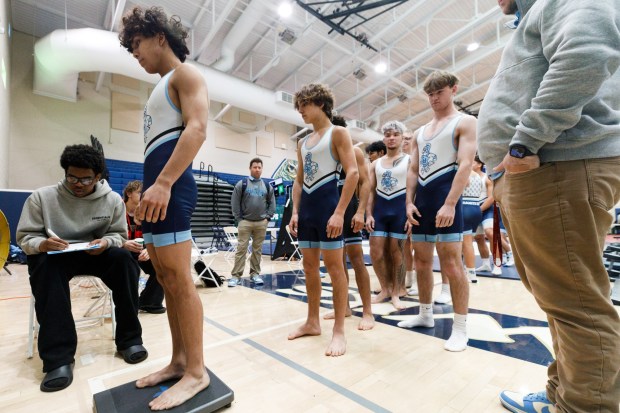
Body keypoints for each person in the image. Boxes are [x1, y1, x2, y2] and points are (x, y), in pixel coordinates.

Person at [477, 0, 620, 411]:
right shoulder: (539, 11)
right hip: (546, 168)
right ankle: (564, 395)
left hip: (556, 162)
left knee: (577, 305)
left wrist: (525, 141)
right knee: (561, 299)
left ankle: (584, 406)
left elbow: (589, 50)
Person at [120, 6, 210, 410]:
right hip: (158, 192)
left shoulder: (185, 75)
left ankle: (197, 371)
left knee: (180, 279)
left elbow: (197, 128)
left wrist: (165, 183)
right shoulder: (159, 87)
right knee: (165, 278)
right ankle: (178, 361)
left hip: (172, 190)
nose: (134, 53)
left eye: (136, 44)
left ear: (159, 37)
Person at [16, 144, 147, 393]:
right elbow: (25, 239)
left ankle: (130, 339)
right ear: (65, 173)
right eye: (72, 177)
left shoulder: (111, 200)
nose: (77, 183)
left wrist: (107, 242)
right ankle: (58, 359)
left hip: (95, 252)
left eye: (85, 178)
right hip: (56, 255)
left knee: (125, 261)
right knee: (43, 267)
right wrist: (42, 243)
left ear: (98, 176)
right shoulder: (41, 198)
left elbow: (119, 235)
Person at [399, 70, 477, 353]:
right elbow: (413, 169)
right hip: (422, 203)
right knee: (420, 262)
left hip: (447, 202)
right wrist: (408, 202)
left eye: (439, 93)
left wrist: (451, 203)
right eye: (430, 94)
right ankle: (425, 313)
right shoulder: (419, 132)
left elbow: (466, 164)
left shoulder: (465, 122)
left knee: (452, 265)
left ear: (453, 90)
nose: (434, 99)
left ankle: (460, 327)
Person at [288, 83, 359, 357]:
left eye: (304, 105)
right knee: (308, 267)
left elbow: (352, 173)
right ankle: (312, 321)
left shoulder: (338, 133)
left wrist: (340, 212)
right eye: (298, 107)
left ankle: (339, 330)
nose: (301, 111)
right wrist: (295, 211)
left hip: (330, 207)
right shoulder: (302, 142)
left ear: (320, 103)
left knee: (334, 268)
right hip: (307, 211)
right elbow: (299, 180)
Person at [323, 115, 374, 331]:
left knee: (356, 259)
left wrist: (361, 211)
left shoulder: (354, 152)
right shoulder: (324, 153)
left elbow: (364, 183)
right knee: (337, 263)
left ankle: (368, 311)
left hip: (350, 209)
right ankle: (344, 308)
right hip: (330, 209)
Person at [365, 120, 410, 310]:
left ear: (401, 138)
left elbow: (413, 190)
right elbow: (370, 191)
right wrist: (368, 214)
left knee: (397, 253)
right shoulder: (375, 164)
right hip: (380, 212)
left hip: (400, 211)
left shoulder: (410, 160)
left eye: (395, 135)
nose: (391, 138)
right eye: (388, 135)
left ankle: (397, 291)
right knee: (376, 253)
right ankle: (385, 288)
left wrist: (410, 213)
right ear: (384, 138)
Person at [228, 158, 275, 287]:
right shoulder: (242, 184)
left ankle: (255, 274)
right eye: (255, 167)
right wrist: (239, 219)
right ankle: (235, 276)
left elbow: (272, 203)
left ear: (262, 169)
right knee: (241, 249)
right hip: (245, 222)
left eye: (259, 167)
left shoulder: (267, 186)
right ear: (250, 168)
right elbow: (235, 202)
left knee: (257, 250)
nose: (257, 169)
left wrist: (268, 218)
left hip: (261, 223)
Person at [122, 180, 166, 313]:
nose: (144, 196)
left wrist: (148, 249)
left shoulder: (146, 212)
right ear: (129, 193)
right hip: (120, 249)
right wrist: (123, 244)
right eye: (140, 193)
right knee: (129, 266)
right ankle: (128, 305)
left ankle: (149, 302)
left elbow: (153, 237)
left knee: (163, 267)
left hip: (140, 250)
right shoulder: (117, 209)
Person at [401, 130, 417, 293]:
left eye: (408, 138)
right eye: (403, 138)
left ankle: (419, 282)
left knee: (419, 246)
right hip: (401, 205)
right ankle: (408, 279)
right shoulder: (400, 160)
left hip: (416, 205)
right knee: (405, 246)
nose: (405, 141)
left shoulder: (416, 159)